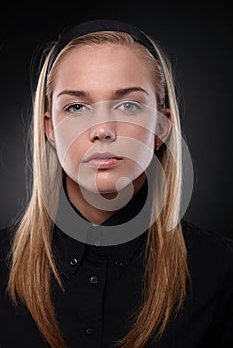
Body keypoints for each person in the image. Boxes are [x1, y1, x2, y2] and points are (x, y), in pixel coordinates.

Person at [0, 19, 232, 348]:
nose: (103, 129)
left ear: (162, 126)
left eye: (128, 105)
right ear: (50, 128)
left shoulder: (221, 270)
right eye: (77, 107)